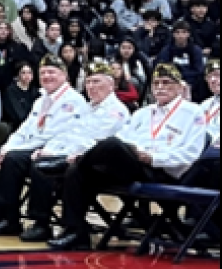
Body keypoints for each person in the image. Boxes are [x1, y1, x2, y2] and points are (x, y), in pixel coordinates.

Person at [51, 64, 210, 250]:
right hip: (131, 165)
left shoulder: (193, 112)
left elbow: (191, 154)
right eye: (156, 83)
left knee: (110, 145)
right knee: (76, 172)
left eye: (166, 83)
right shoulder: (143, 112)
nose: (160, 88)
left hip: (162, 170)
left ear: (180, 87)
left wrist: (152, 158)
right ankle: (76, 232)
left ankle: (75, 160)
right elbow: (123, 138)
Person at [0, 55, 87, 234]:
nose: (47, 76)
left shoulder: (73, 101)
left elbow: (55, 135)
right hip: (30, 148)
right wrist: (5, 148)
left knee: (13, 159)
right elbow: (23, 130)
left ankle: (10, 219)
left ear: (64, 75)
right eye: (43, 73)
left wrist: (13, 151)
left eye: (52, 72)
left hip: (52, 151)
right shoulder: (41, 100)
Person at [17, 60, 131, 242]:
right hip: (74, 156)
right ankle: (45, 223)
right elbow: (68, 134)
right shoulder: (88, 108)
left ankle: (58, 226)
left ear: (111, 85)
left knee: (58, 170)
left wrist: (65, 154)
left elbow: (94, 142)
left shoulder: (116, 111)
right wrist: (50, 150)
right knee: (42, 164)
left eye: (97, 82)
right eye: (88, 82)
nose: (91, 87)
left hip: (99, 165)